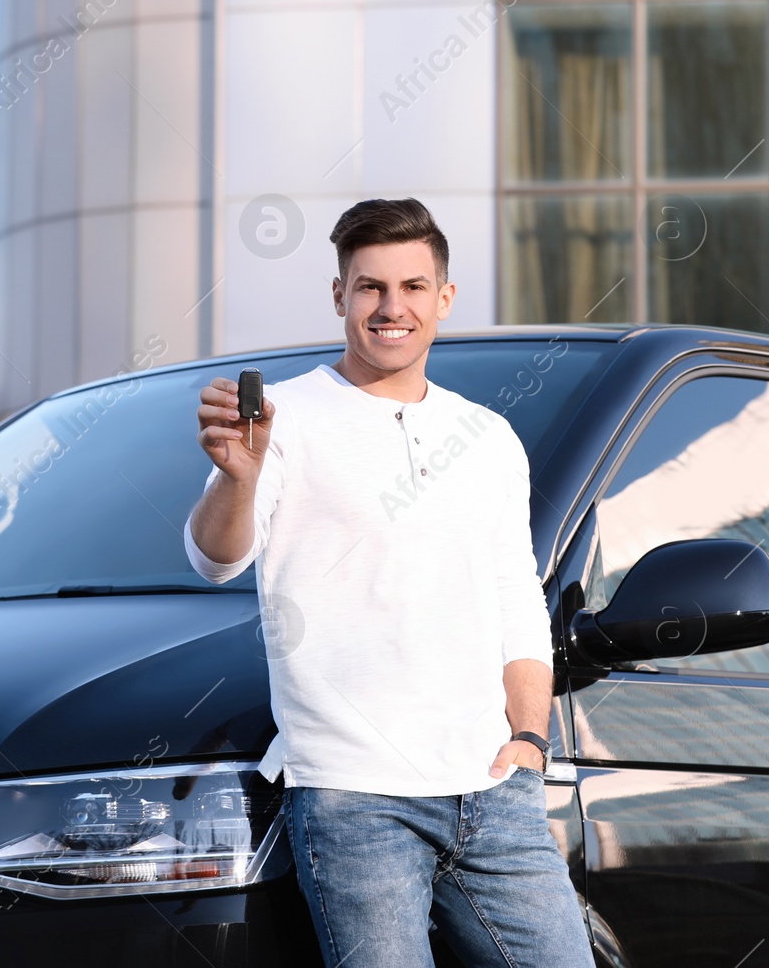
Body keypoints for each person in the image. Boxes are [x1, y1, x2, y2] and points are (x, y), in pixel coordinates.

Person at [184, 198, 595, 968]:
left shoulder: (489, 437)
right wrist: (237, 476)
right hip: (353, 795)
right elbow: (215, 559)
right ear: (340, 296)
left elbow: (515, 597)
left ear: (444, 297)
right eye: (370, 288)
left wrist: (529, 740)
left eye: (412, 286)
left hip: (493, 791)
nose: (391, 307)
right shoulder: (284, 419)